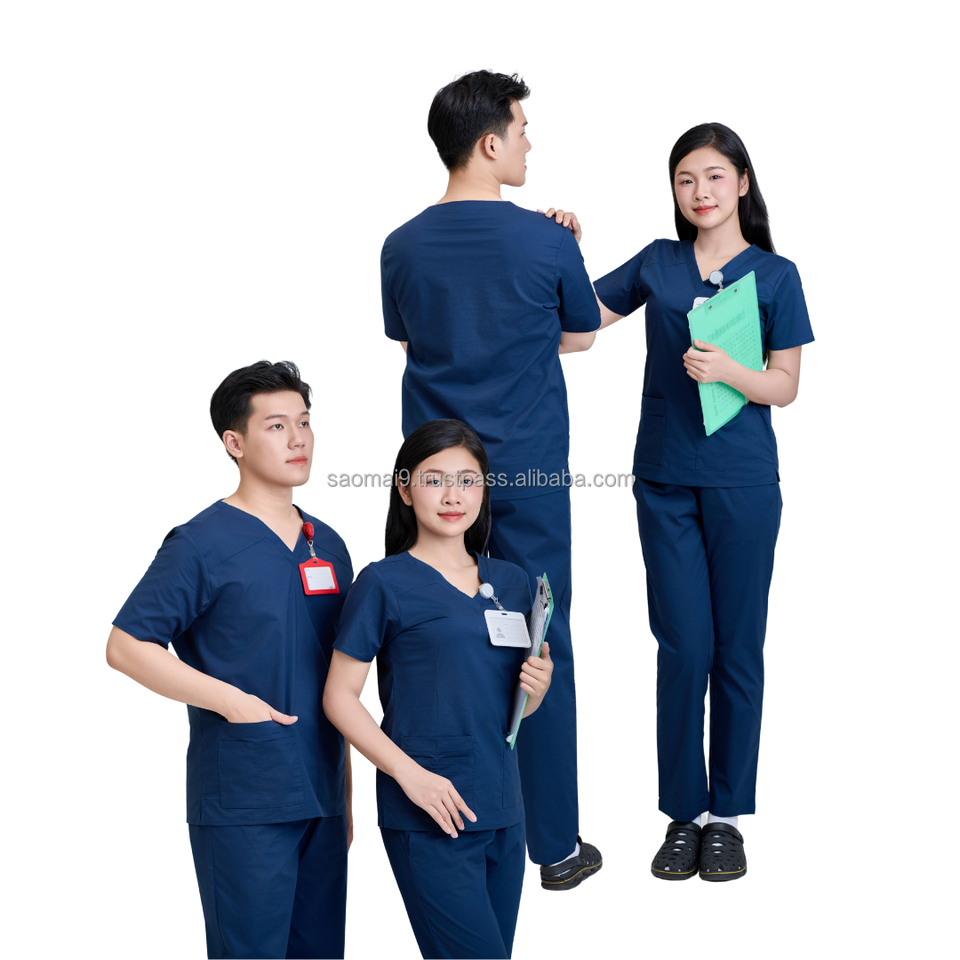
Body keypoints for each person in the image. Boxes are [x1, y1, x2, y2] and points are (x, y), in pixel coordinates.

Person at [380, 68, 602, 887]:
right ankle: (555, 846)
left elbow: (413, 342)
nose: (528, 143)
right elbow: (580, 336)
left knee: (435, 636)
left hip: (438, 480)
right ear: (488, 143)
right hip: (529, 474)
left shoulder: (401, 245)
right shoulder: (548, 242)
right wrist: (563, 252)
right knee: (539, 641)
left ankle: (447, 820)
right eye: (521, 129)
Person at [591, 123, 814, 881]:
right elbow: (579, 322)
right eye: (686, 179)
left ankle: (726, 818)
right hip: (664, 480)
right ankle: (682, 813)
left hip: (744, 483)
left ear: (742, 183)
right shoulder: (657, 263)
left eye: (715, 176)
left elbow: (785, 386)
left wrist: (730, 371)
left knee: (737, 648)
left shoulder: (776, 276)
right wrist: (557, 245)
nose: (700, 192)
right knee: (683, 647)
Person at [106, 361, 353, 957]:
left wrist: (345, 796)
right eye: (276, 426)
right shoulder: (201, 543)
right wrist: (233, 702)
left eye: (304, 422)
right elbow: (126, 645)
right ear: (234, 443)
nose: (298, 439)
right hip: (246, 795)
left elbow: (337, 678)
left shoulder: (329, 544)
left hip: (322, 792)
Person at [323, 420, 557, 960]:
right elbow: (338, 696)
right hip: (429, 810)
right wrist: (408, 774)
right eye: (435, 480)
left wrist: (537, 691)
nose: (453, 496)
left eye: (468, 481)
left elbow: (507, 704)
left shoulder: (513, 581)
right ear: (405, 490)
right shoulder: (383, 583)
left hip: (503, 805)